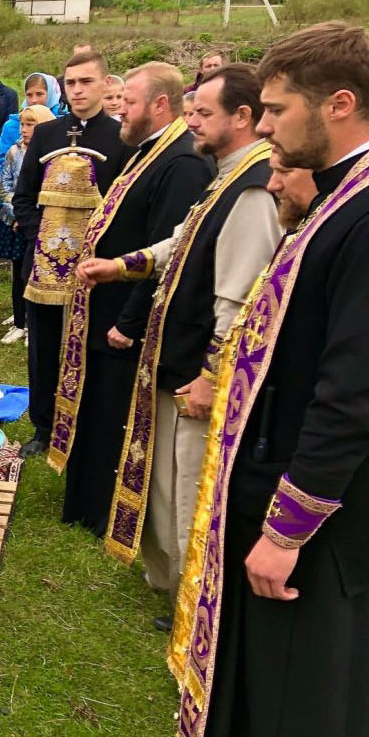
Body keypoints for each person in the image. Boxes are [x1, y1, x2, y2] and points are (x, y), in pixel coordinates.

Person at [169, 21, 369, 737]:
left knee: (299, 718)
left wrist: (285, 531)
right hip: (281, 487)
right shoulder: (339, 197)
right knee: (265, 705)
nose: (268, 126)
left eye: (280, 110)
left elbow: (350, 394)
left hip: (313, 525)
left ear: (342, 104)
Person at [78, 64, 279, 628]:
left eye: (205, 113)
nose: (193, 122)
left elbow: (237, 300)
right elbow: (180, 243)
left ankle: (195, 607)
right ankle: (170, 583)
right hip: (173, 360)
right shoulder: (225, 175)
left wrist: (215, 376)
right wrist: (122, 267)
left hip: (197, 370)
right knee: (164, 480)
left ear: (243, 118)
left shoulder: (253, 189)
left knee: (191, 487)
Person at [48, 61, 212, 537]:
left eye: (130, 102)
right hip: (107, 302)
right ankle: (85, 502)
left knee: (113, 416)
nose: (119, 110)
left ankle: (105, 510)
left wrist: (131, 319)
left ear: (160, 104)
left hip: (124, 315)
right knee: (96, 407)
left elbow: (167, 248)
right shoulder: (147, 150)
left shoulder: (180, 162)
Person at [12, 51, 132, 458]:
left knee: (87, 344)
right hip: (44, 266)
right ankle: (44, 428)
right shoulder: (47, 135)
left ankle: (85, 425)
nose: (78, 90)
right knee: (44, 349)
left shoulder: (121, 139)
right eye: (72, 83)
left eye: (87, 82)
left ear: (104, 85)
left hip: (94, 266)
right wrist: (40, 239)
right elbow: (24, 195)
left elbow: (123, 205)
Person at [0, 104, 55, 344]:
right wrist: (18, 212)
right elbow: (3, 185)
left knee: (37, 274)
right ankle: (19, 323)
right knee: (19, 274)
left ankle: (35, 326)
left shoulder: (52, 154)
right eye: (23, 124)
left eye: (31, 124)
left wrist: (31, 215)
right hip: (15, 222)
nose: (25, 129)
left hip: (42, 223)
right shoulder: (14, 151)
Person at [0, 71, 65, 159]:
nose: (34, 100)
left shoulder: (63, 123)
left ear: (51, 95)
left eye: (39, 94)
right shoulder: (12, 125)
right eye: (29, 95)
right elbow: (2, 160)